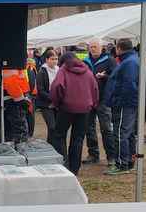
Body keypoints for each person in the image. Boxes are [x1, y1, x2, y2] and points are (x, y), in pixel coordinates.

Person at [49, 53, 98, 175]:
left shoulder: (63, 70)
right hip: (85, 108)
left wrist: (57, 103)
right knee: (78, 138)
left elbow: (56, 87)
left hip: (66, 108)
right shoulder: (87, 71)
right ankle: (74, 168)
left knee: (59, 136)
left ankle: (63, 166)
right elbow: (95, 88)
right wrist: (92, 104)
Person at [104, 39, 139, 175]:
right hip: (126, 103)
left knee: (120, 133)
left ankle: (121, 164)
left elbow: (129, 84)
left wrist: (118, 101)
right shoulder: (130, 60)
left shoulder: (129, 62)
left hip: (124, 104)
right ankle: (129, 160)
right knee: (128, 133)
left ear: (119, 48)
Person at [83, 38, 116, 165]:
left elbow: (116, 77)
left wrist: (105, 76)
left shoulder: (109, 60)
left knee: (106, 128)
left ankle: (111, 156)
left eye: (95, 47)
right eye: (91, 47)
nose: (93, 49)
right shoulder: (85, 61)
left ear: (101, 48)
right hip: (89, 99)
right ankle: (93, 154)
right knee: (89, 128)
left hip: (104, 99)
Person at [0, 68, 29, 144]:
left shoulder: (3, 64)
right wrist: (21, 99)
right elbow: (11, 82)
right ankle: (17, 147)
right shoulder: (12, 64)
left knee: (5, 130)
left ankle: (7, 146)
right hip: (13, 99)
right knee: (18, 131)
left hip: (5, 98)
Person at [34, 49, 59, 147]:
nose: (54, 61)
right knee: (52, 126)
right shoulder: (42, 72)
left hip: (57, 103)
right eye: (52, 59)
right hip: (46, 104)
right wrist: (52, 99)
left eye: (56, 59)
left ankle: (53, 146)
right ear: (47, 60)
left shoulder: (59, 70)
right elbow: (40, 90)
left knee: (56, 128)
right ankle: (50, 146)